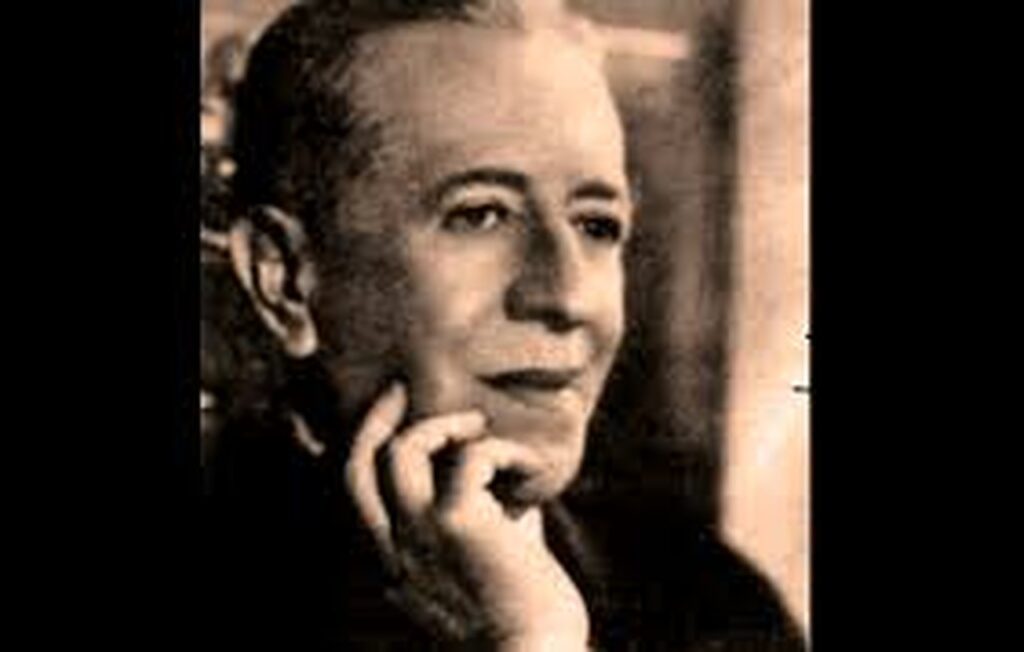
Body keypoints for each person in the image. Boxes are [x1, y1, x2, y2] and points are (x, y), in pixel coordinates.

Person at [201, 1, 807, 650]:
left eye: (597, 225)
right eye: (481, 214)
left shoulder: (711, 600)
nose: (569, 296)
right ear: (285, 278)